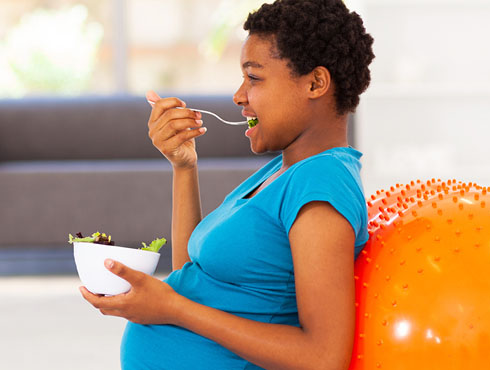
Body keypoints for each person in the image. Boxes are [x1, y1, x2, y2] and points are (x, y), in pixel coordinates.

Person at [80, 0, 375, 368]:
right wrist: (183, 167)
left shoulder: (321, 185)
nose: (239, 95)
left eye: (254, 78)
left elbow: (322, 357)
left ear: (315, 83)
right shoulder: (281, 173)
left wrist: (172, 308)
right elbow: (195, 277)